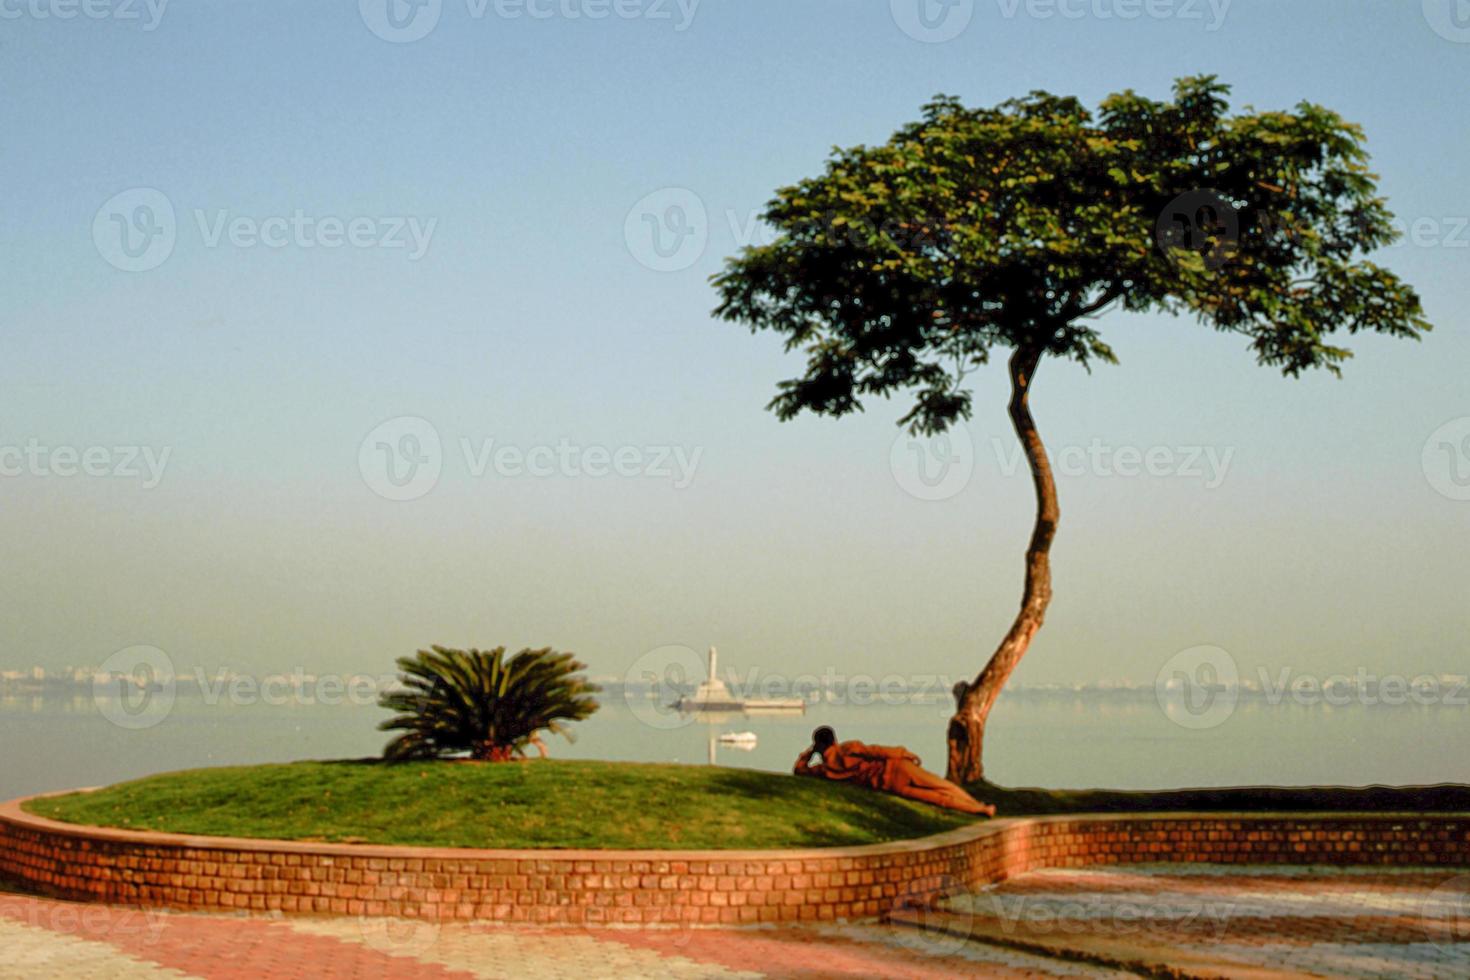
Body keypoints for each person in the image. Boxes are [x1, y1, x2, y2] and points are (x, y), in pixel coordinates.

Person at [793, 726, 996, 816]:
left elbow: (799, 771)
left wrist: (808, 754)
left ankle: (980, 810)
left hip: (890, 786)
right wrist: (903, 753)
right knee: (943, 786)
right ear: (834, 739)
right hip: (896, 767)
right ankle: (978, 805)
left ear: (819, 746)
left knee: (937, 798)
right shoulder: (848, 748)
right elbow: (876, 751)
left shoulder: (824, 770)